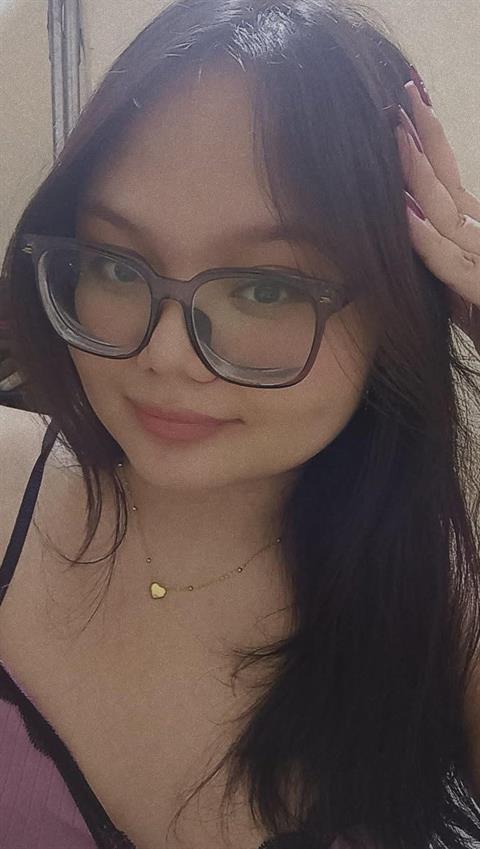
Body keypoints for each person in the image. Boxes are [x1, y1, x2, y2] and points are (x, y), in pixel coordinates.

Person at [1, 1, 480, 847]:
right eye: (118, 264)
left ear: (397, 310)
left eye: (265, 287)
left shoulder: (437, 603)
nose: (165, 355)